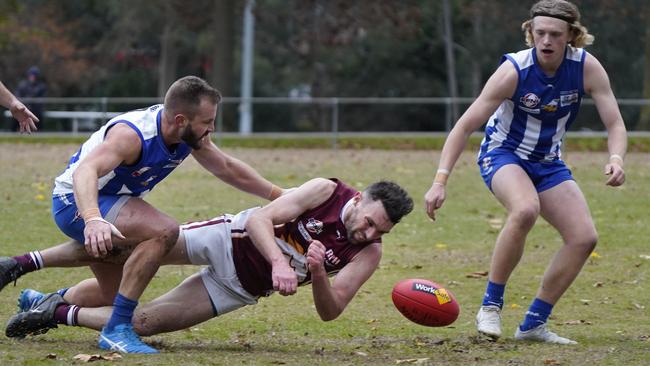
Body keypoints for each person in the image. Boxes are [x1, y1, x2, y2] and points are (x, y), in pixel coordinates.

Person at [0, 76, 288, 353]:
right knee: (162, 231)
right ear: (180, 121)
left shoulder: (187, 135)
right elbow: (85, 171)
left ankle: (43, 299)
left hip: (110, 202)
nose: (211, 128)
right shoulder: (133, 135)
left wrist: (281, 196)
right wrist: (92, 218)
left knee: (112, 294)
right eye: (207, 122)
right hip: (74, 201)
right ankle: (117, 329)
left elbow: (226, 166)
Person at [5, 178, 414, 354]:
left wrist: (320, 273)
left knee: (143, 324)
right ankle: (26, 265)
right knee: (128, 249)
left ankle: (54, 310)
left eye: (381, 230)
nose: (368, 233)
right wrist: (280, 263)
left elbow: (332, 311)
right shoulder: (327, 190)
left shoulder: (369, 252)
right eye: (369, 221)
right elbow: (259, 218)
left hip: (238, 289)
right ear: (359, 200)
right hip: (227, 238)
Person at [424, 0, 626, 345]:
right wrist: (439, 181)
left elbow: (615, 123)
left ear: (572, 37)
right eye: (540, 32)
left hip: (548, 162)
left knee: (583, 237)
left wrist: (617, 158)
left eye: (555, 34)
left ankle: (533, 324)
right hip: (503, 154)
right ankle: (491, 306)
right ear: (530, 32)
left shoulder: (587, 68)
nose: (546, 40)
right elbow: (463, 127)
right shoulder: (513, 71)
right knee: (525, 209)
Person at [13, 66, 47, 132]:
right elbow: (17, 96)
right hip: (23, 109)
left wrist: (31, 104)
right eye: (31, 75)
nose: (32, 77)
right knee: (15, 117)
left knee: (37, 120)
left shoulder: (41, 86)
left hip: (36, 111)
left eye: (34, 75)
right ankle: (14, 133)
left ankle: (38, 133)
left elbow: (41, 100)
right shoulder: (22, 85)